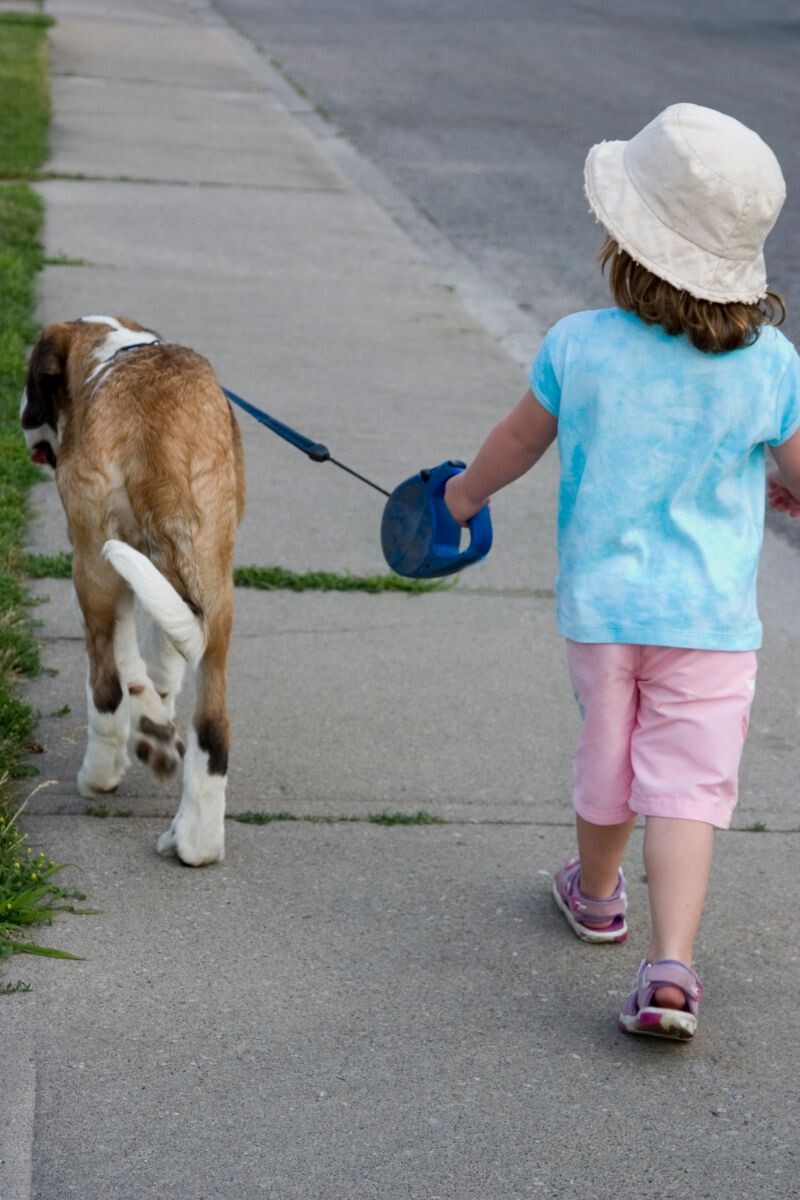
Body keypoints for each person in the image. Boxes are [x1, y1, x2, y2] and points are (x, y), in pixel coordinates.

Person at [444, 103, 800, 1041]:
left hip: (604, 613)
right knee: (686, 784)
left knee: (608, 758)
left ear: (627, 240)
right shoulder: (771, 364)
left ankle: (597, 896)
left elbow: (519, 441)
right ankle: (672, 967)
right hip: (712, 624)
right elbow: (797, 468)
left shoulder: (580, 344)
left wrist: (461, 501)